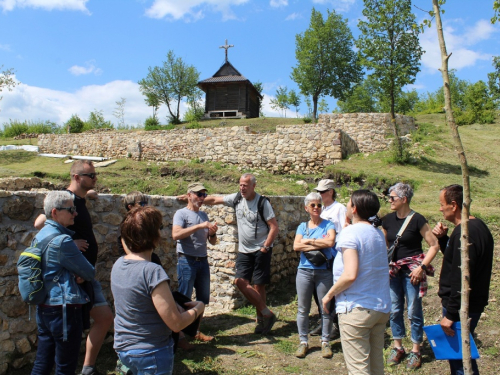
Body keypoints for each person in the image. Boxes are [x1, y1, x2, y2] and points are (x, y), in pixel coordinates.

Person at [34, 160, 113, 375]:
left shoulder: (78, 200)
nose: (96, 178)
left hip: (82, 276)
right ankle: (86, 368)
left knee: (104, 318)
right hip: (73, 279)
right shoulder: (65, 200)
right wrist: (66, 241)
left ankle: (88, 367)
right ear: (77, 177)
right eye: (91, 175)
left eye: (95, 174)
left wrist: (90, 195)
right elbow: (41, 222)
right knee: (63, 351)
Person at [112, 206, 205, 375]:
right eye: (160, 228)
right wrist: (198, 309)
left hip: (124, 350)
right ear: (154, 237)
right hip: (151, 353)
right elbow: (176, 324)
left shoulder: (119, 265)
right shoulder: (152, 272)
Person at [196, 173, 279, 334]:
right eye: (240, 185)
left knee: (258, 285)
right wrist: (194, 198)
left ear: (253, 186)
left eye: (245, 185)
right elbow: (214, 200)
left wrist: (265, 247)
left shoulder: (262, 203)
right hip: (244, 250)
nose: (242, 188)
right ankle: (266, 313)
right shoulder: (236, 198)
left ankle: (261, 321)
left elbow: (274, 227)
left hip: (261, 249)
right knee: (240, 281)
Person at [322, 190, 391, 375]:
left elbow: (350, 274)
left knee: (358, 369)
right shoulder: (377, 232)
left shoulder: (350, 233)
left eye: (349, 202)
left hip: (357, 308)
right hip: (380, 306)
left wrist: (329, 295)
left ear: (354, 208)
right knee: (376, 366)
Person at [31, 191, 95, 375]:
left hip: (44, 305)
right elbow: (89, 271)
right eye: (71, 209)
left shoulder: (41, 235)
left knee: (42, 362)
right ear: (54, 212)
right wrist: (79, 274)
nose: (75, 213)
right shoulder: (63, 241)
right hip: (64, 309)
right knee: (65, 367)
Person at [432, 184, 494, 375]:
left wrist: (450, 315)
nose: (440, 208)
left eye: (442, 204)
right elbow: (459, 261)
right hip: (470, 304)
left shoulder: (464, 234)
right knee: (463, 356)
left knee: (460, 362)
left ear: (453, 205)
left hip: (462, 307)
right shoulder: (477, 227)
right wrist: (444, 240)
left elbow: (462, 277)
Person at [382, 182, 439, 370]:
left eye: (392, 198)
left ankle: (415, 350)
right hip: (393, 271)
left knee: (414, 310)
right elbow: (384, 246)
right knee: (395, 309)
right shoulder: (387, 220)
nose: (389, 200)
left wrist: (421, 267)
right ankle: (398, 347)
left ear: (404, 199)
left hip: (411, 272)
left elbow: (434, 245)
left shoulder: (417, 219)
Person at [172, 182, 218, 342]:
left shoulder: (204, 215)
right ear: (189, 195)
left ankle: (195, 331)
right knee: (184, 298)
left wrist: (212, 233)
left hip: (202, 261)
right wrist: (199, 226)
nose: (202, 198)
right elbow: (176, 235)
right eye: (199, 194)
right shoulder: (181, 214)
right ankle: (181, 335)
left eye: (204, 195)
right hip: (187, 260)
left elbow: (212, 242)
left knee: (202, 299)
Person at [293, 192, 335, 359]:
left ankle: (325, 341)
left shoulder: (329, 224)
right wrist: (319, 243)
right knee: (303, 308)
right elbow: (296, 246)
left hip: (324, 271)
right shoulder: (302, 227)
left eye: (319, 205)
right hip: (304, 271)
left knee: (326, 308)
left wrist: (308, 241)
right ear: (306, 208)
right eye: (313, 205)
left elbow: (331, 242)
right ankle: (303, 341)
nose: (316, 207)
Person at [310, 179, 346, 339]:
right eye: (318, 192)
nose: (319, 195)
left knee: (330, 289)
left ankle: (334, 324)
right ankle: (324, 321)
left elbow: (344, 231)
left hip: (333, 254)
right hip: (319, 255)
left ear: (330, 192)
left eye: (322, 192)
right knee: (317, 289)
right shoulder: (321, 209)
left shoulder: (339, 209)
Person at [118, 191, 162, 266]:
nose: (145, 206)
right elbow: (129, 251)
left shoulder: (146, 223)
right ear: (130, 207)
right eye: (142, 203)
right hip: (134, 264)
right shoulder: (125, 227)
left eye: (146, 203)